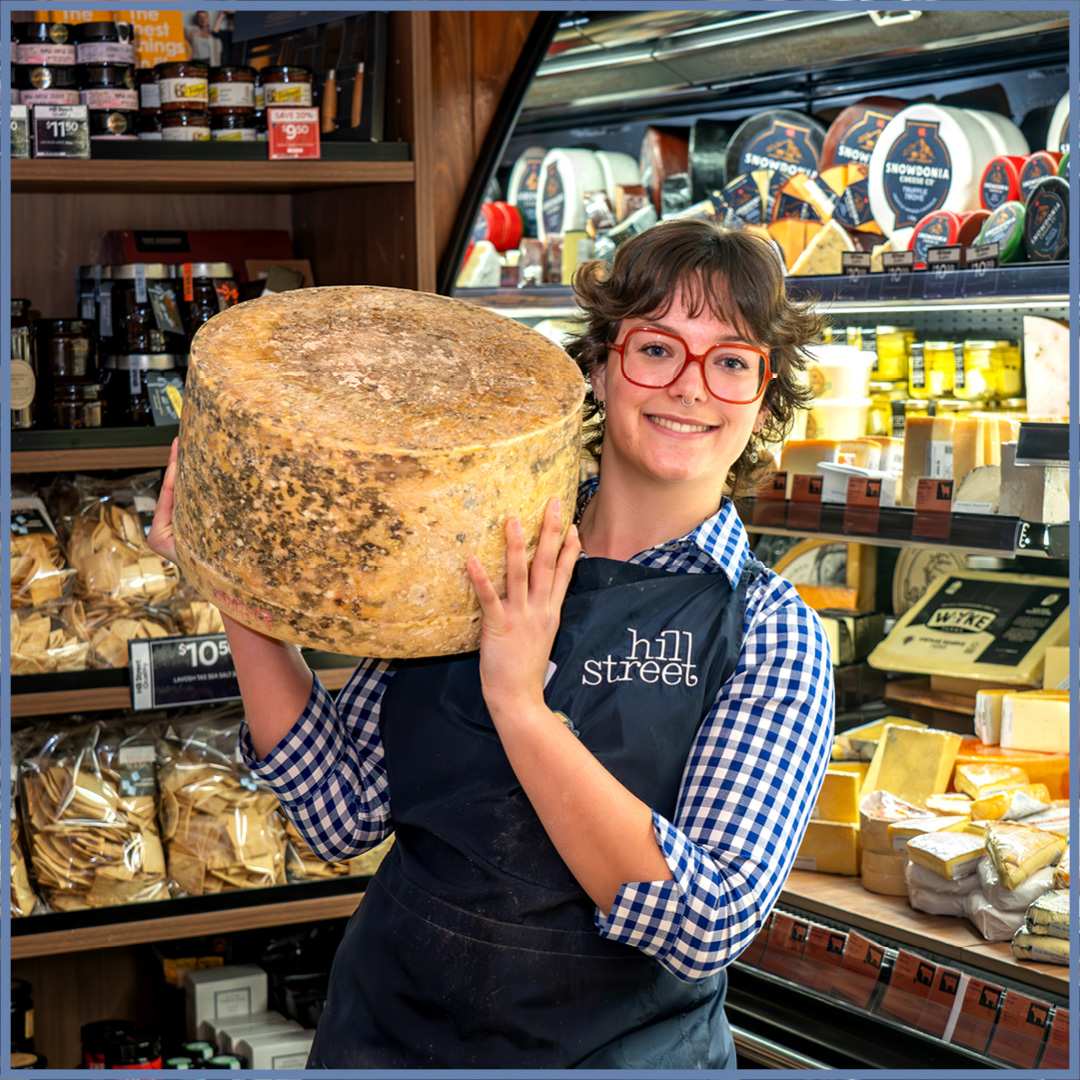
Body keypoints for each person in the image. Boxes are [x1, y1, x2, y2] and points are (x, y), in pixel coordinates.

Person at [148, 217, 835, 1069]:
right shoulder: (475, 544)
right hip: (385, 1041)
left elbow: (704, 926)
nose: (690, 387)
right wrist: (236, 582)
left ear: (763, 402)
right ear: (598, 367)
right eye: (657, 348)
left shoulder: (772, 633)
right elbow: (340, 812)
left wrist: (521, 707)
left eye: (731, 362)